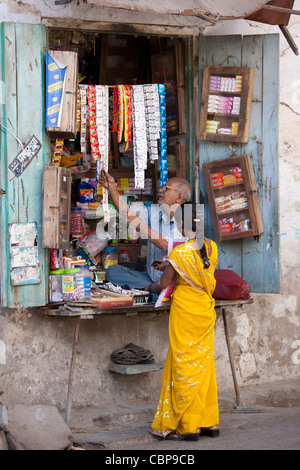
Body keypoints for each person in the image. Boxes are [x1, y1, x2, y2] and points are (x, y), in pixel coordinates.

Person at [150, 201, 219, 441]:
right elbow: (199, 270)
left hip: (185, 313)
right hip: (204, 310)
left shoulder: (179, 253)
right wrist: (169, 265)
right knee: (203, 365)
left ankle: (187, 426)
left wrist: (163, 270)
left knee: (183, 365)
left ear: (181, 224)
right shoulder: (211, 247)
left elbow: (163, 285)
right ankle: (207, 423)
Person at [99, 170, 191, 293]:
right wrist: (112, 187)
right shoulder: (154, 212)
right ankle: (150, 288)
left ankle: (155, 290)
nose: (160, 191)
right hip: (150, 278)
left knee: (173, 285)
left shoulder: (187, 219)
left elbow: (167, 245)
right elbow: (125, 211)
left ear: (179, 197)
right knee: (113, 271)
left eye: (165, 188)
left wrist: (139, 225)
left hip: (172, 281)